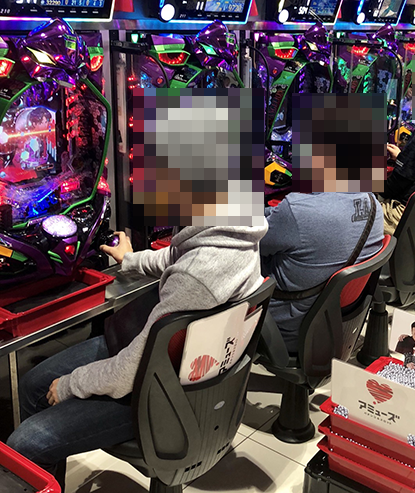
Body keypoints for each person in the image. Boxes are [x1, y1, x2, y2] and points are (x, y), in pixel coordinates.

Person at [6, 224, 268, 477]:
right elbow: (177, 258)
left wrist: (70, 385)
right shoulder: (237, 235)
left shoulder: (197, 277)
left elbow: (127, 375)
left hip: (163, 394)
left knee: (26, 443)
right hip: (174, 364)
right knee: (33, 385)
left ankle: (42, 476)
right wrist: (130, 260)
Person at [260, 192, 384, 354]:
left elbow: (248, 237)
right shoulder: (373, 204)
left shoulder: (297, 210)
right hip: (330, 325)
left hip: (281, 327)